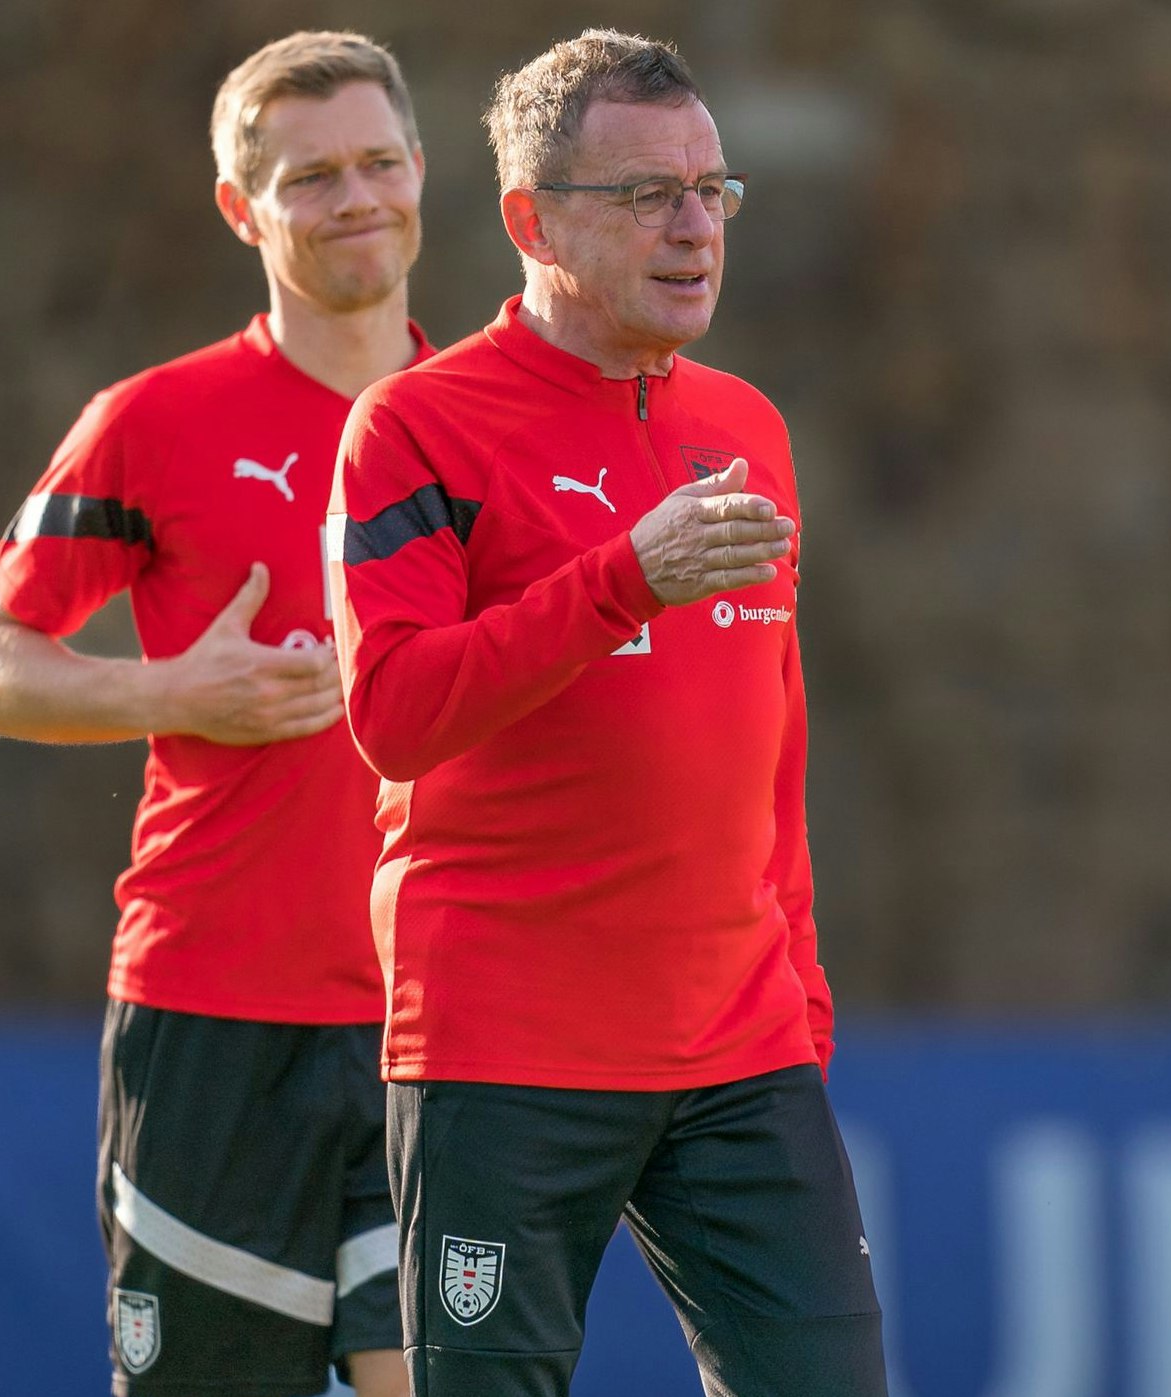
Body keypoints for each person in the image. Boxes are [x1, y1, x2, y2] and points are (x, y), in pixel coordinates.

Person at [326, 29, 882, 1394]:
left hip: (742, 1045)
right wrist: (622, 580)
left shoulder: (746, 424)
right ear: (532, 220)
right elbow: (393, 712)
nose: (695, 227)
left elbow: (771, 738)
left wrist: (800, 991)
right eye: (646, 195)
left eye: (713, 190)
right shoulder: (414, 428)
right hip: (504, 1045)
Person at [0, 31, 430, 1397]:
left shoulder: (485, 422)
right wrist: (175, 692)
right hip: (215, 1017)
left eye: (379, 162)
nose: (356, 199)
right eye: (311, 176)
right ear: (241, 205)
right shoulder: (156, 420)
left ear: (423, 172)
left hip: (437, 1026)